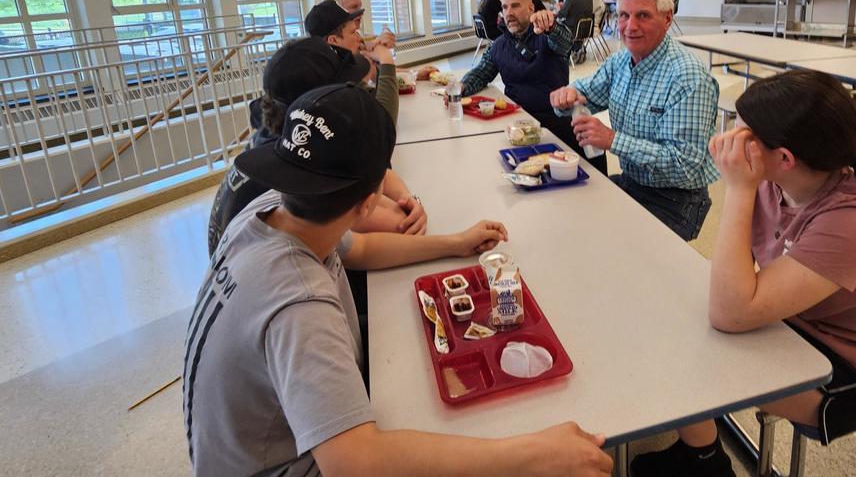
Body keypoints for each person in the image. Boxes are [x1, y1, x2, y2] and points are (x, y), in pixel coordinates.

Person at [186, 83, 612, 477]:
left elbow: (363, 250)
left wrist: (455, 243)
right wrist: (533, 454)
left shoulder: (275, 206)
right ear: (371, 201)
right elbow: (356, 463)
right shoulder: (299, 303)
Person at [630, 69, 856, 477]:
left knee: (678, 357)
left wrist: (738, 188)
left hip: (851, 377)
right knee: (666, 319)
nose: (727, 142)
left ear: (785, 158)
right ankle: (700, 451)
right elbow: (737, 282)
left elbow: (731, 312)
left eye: (740, 136)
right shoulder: (774, 181)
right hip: (796, 324)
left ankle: (705, 464)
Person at [208, 36, 427, 255]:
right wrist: (408, 206)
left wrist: (407, 199)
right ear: (316, 102)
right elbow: (399, 223)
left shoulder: (285, 141)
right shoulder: (302, 166)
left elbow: (375, 174)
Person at [550, 0, 719, 241]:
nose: (630, 26)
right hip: (634, 182)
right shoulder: (621, 61)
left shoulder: (688, 78)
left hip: (676, 201)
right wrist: (566, 96)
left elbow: (684, 165)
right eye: (624, 15)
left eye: (643, 16)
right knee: (569, 213)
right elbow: (586, 92)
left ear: (667, 18)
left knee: (605, 243)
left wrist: (613, 140)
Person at [461, 0, 607, 172]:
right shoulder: (498, 45)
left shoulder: (547, 35)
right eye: (505, 8)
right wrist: (461, 86)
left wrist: (552, 26)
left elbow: (565, 42)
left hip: (557, 119)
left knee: (593, 165)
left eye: (515, 6)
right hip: (518, 121)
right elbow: (482, 72)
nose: (509, 13)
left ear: (531, 9)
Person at [305, 0, 399, 122]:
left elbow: (371, 97)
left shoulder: (336, 65)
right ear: (333, 41)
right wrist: (386, 59)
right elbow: (385, 120)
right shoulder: (331, 76)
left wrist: (376, 61)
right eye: (353, 32)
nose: (358, 39)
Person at [323, 0, 438, 81]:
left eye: (360, 7)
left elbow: (377, 73)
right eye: (354, 7)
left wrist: (415, 73)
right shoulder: (330, 52)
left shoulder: (357, 37)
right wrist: (377, 51)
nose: (361, 12)